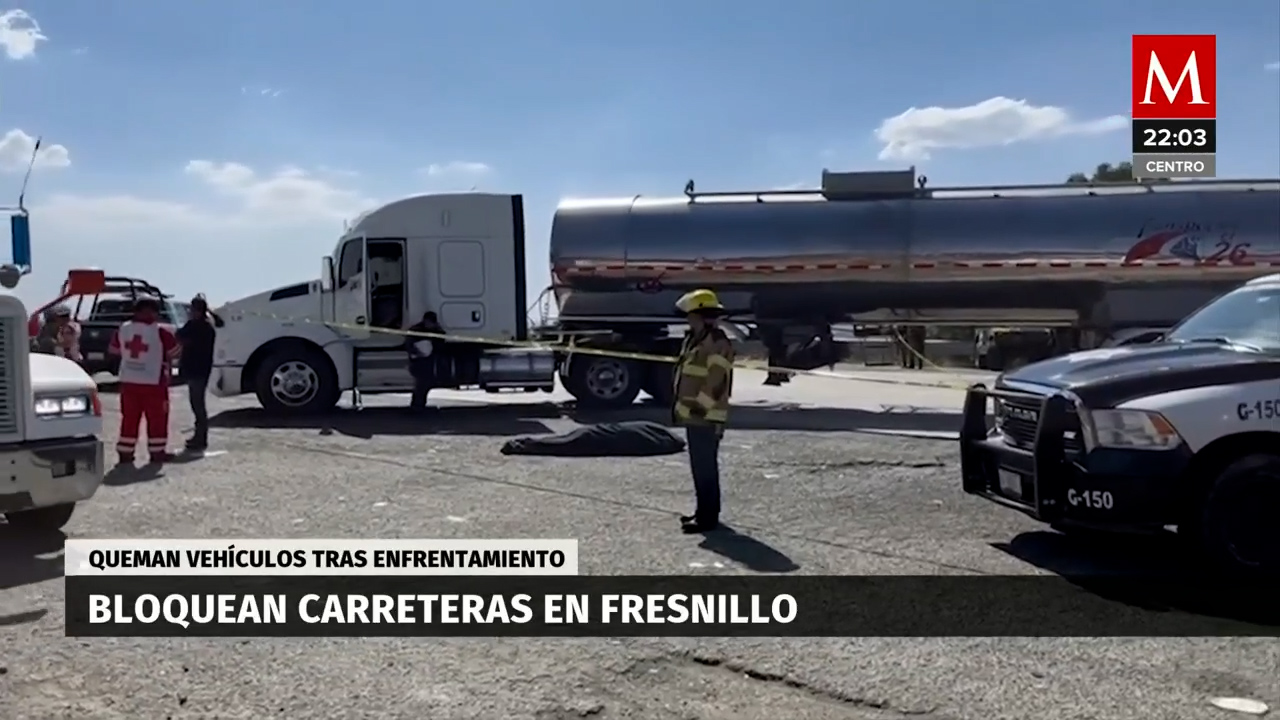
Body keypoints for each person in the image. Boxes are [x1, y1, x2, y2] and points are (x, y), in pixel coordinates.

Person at [672, 289, 735, 534]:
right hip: (694, 414)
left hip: (705, 416)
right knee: (699, 468)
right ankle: (702, 512)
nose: (689, 320)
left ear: (701, 315)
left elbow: (716, 380)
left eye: (691, 316)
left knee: (706, 468)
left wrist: (700, 407)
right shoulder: (697, 340)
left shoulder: (717, 343)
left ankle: (708, 518)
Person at [108, 298, 180, 465]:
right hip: (154, 382)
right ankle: (157, 452)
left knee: (129, 418)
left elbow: (114, 350)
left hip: (129, 381)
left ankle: (125, 453)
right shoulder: (161, 332)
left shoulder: (123, 329)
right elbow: (175, 353)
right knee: (157, 419)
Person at [176, 295, 224, 452]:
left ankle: (201, 437)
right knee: (197, 404)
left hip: (197, 369)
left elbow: (181, 336)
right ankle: (200, 436)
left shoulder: (199, 326)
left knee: (197, 404)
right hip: (199, 369)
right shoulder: (206, 326)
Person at [405, 311, 445, 412]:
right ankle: (417, 405)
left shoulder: (436, 331)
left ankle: (420, 404)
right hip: (418, 361)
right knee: (420, 384)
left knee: (424, 384)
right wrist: (416, 352)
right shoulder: (417, 330)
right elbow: (409, 343)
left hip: (428, 362)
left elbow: (441, 342)